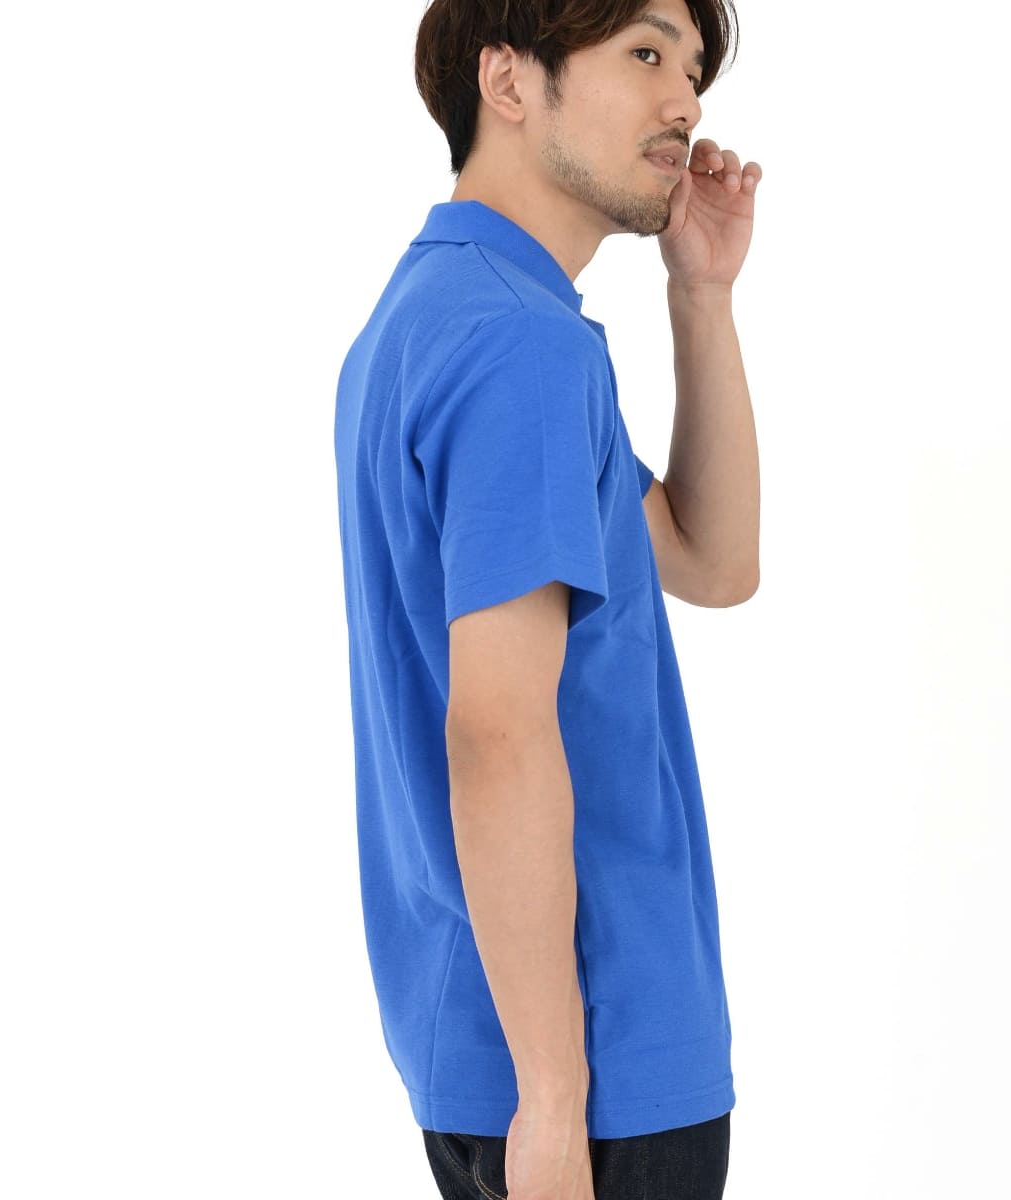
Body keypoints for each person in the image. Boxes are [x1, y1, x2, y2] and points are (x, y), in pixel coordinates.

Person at [333, 0, 761, 1195]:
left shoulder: (447, 312)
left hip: (497, 1044)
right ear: (509, 82)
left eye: (693, 69)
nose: (685, 102)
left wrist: (703, 295)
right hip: (591, 1065)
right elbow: (499, 733)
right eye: (645, 53)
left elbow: (711, 561)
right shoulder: (522, 349)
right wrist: (556, 1104)